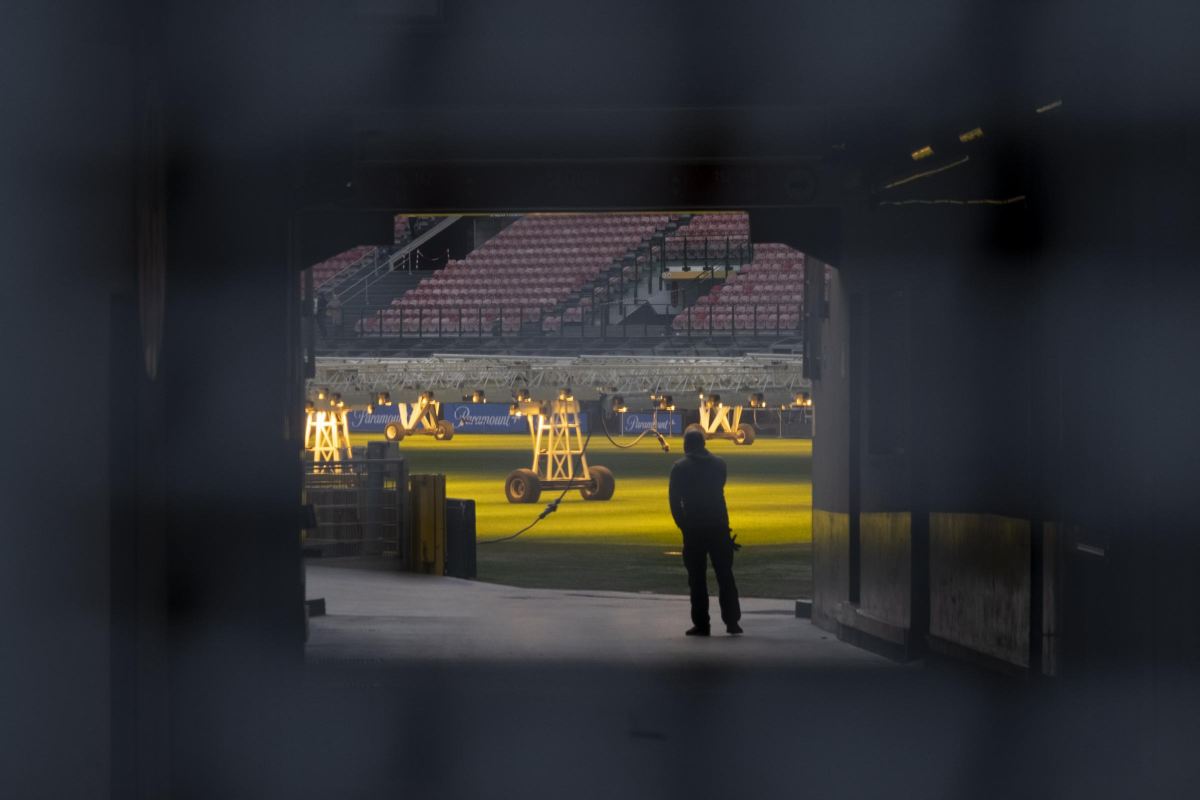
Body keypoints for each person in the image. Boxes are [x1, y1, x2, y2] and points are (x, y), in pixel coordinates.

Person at [668, 428, 742, 636]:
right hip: (719, 526)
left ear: (686, 445)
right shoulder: (720, 464)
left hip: (694, 528)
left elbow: (675, 503)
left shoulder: (679, 468)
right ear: (703, 443)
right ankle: (732, 622)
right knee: (725, 576)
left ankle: (702, 624)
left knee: (697, 579)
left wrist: (684, 526)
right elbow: (720, 495)